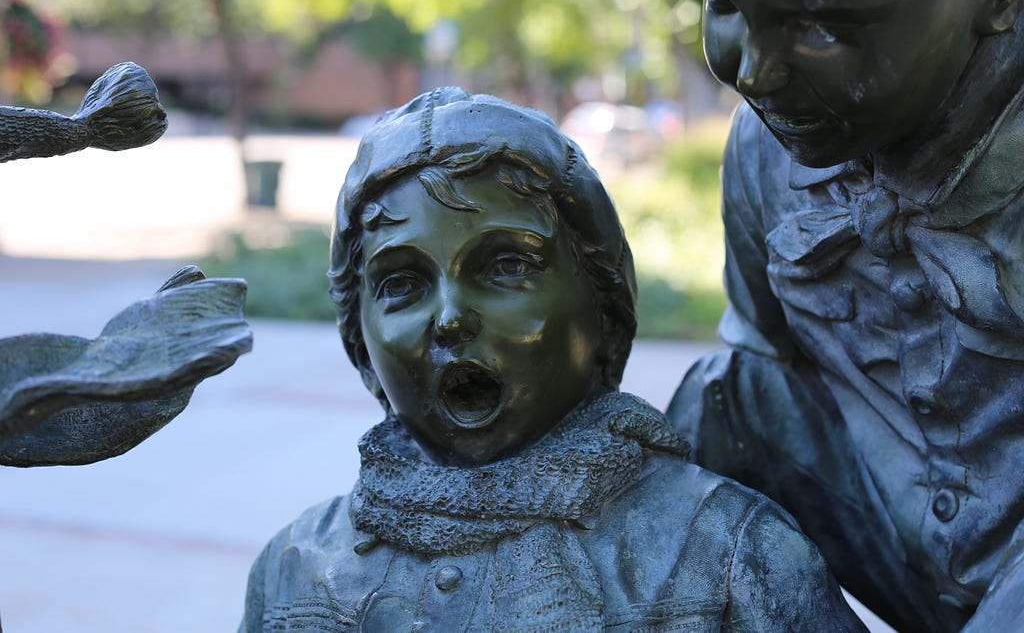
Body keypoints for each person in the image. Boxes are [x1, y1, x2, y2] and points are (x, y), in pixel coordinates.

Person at [239, 88, 867, 632]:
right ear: (362, 344)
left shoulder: (733, 554)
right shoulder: (296, 569)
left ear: (604, 306)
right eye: (402, 283)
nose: (450, 317)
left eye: (507, 266)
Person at [668, 0, 1024, 631]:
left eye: (821, 27)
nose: (753, 73)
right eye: (724, 4)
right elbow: (765, 373)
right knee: (721, 401)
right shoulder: (768, 151)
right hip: (900, 535)